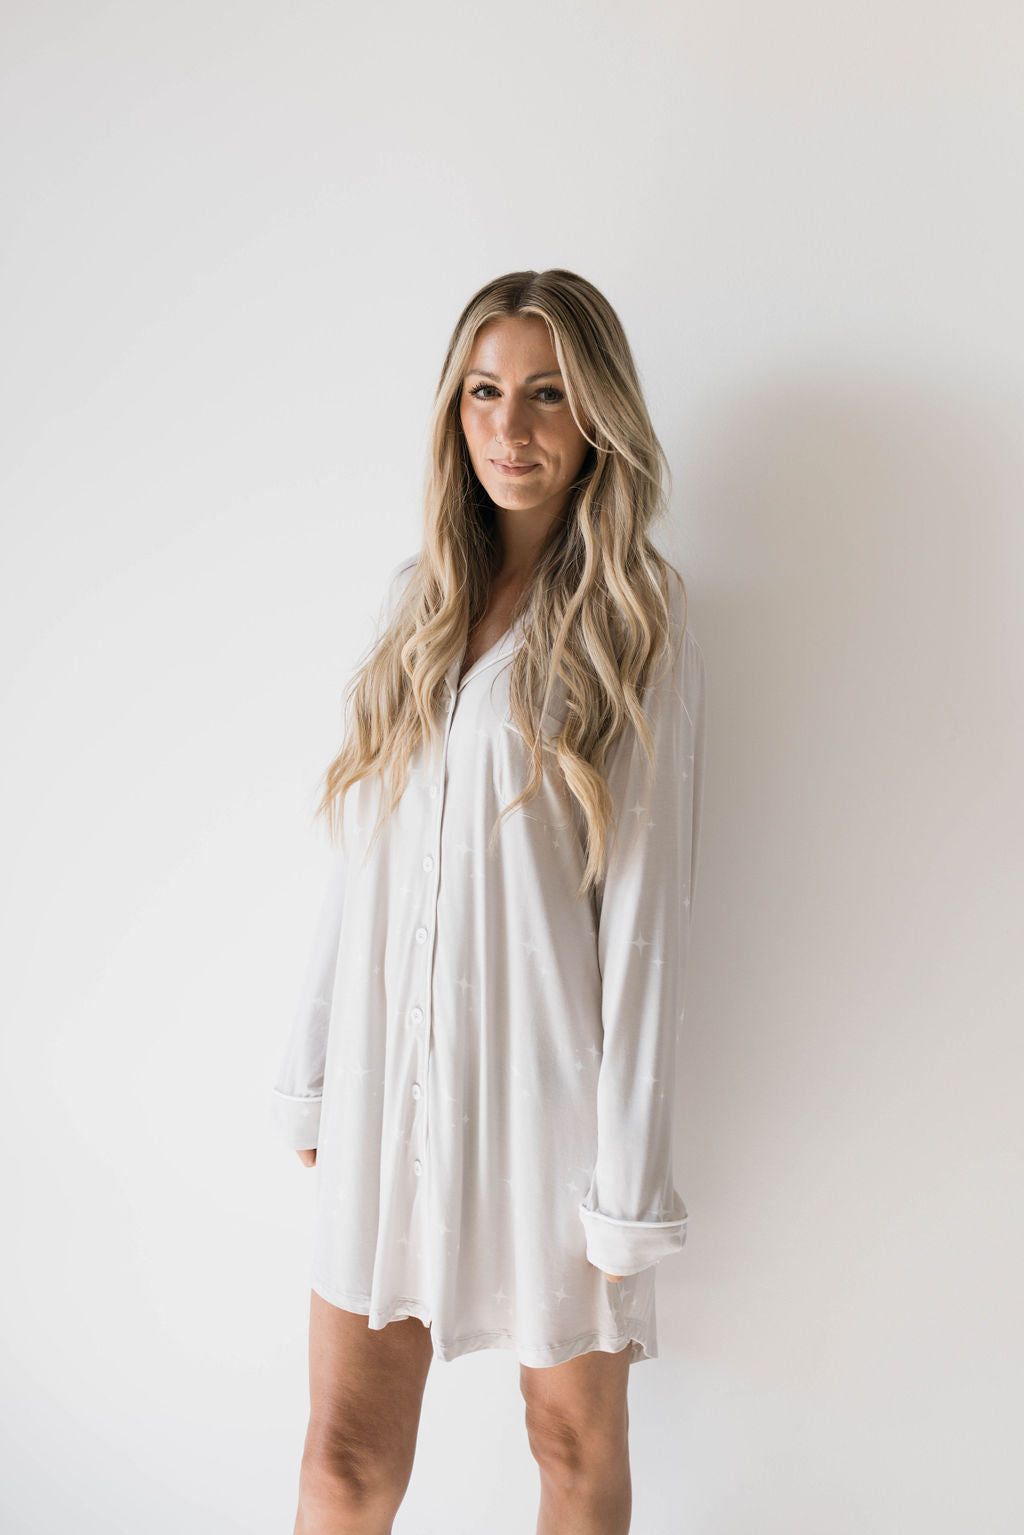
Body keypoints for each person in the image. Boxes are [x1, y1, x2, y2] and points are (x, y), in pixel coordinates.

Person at [270, 267, 708, 1535]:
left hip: (546, 1103)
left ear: (597, 418)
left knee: (567, 1438)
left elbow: (646, 925)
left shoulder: (639, 622)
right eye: (484, 393)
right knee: (343, 1446)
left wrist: (626, 1185)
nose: (511, 428)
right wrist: (312, 1069)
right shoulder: (421, 604)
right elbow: (360, 854)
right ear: (454, 416)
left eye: (547, 395)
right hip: (383, 1086)